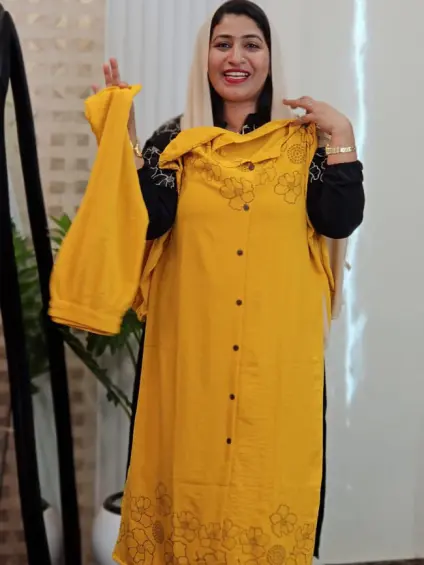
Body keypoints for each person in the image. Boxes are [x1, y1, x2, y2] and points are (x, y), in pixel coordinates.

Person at [85, 1, 364, 564]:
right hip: (194, 365)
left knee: (266, 495)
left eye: (251, 44)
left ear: (270, 57)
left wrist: (342, 134)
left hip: (273, 369)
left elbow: (338, 219)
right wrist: (126, 143)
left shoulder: (304, 143)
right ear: (205, 56)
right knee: (189, 491)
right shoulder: (175, 142)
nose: (236, 57)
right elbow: (149, 220)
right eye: (222, 44)